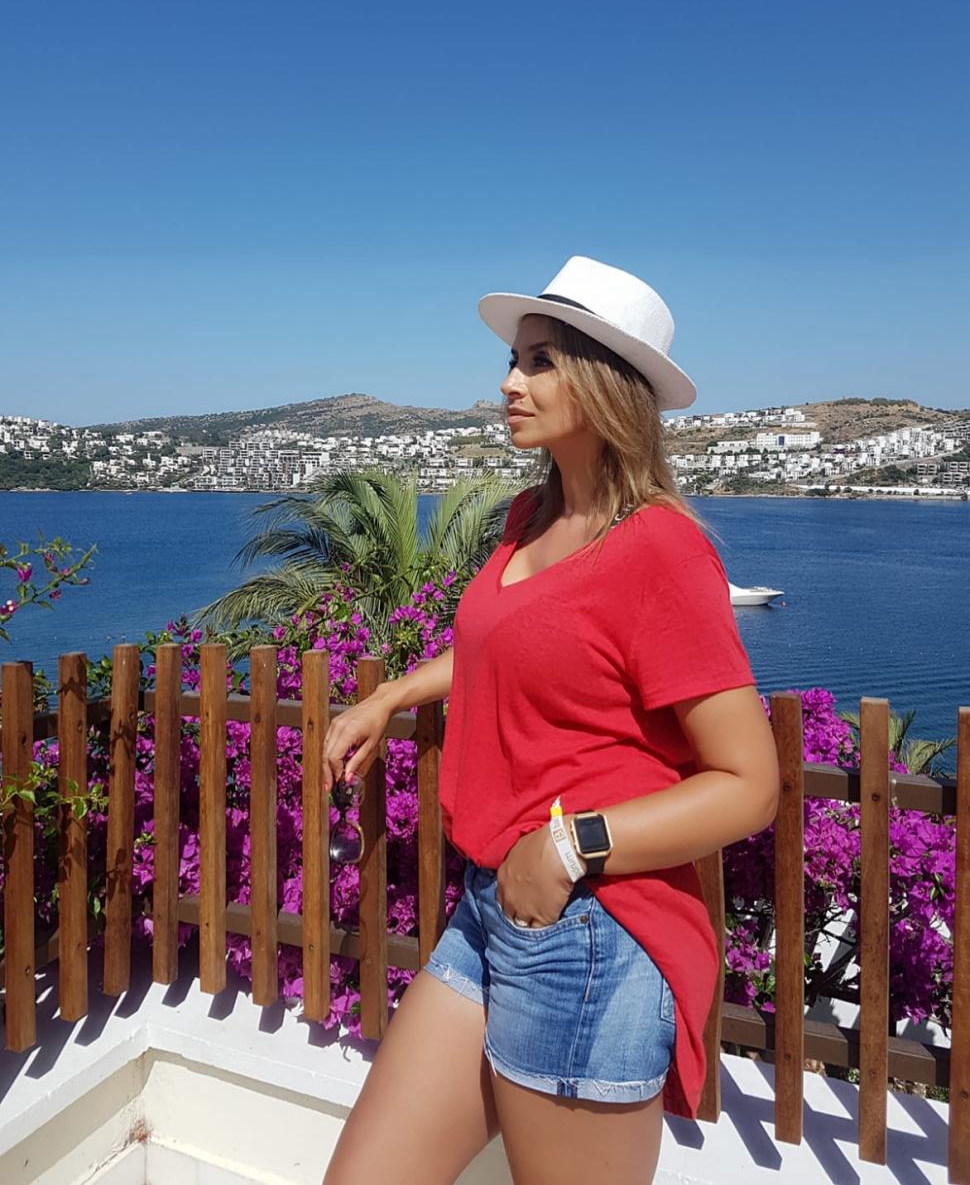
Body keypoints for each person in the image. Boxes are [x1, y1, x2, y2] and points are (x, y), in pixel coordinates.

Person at [321, 256, 780, 1185]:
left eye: (539, 362)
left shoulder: (658, 548)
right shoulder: (530, 516)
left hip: (589, 930)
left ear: (605, 384)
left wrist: (570, 846)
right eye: (514, 359)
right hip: (491, 909)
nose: (509, 382)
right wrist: (392, 693)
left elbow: (749, 783)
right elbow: (505, 645)